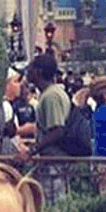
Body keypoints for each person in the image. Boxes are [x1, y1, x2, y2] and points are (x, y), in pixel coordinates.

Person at [27, 52, 72, 202]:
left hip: (54, 163)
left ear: (38, 72)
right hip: (52, 161)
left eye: (31, 68)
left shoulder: (51, 96)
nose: (28, 72)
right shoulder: (50, 94)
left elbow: (57, 130)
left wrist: (33, 149)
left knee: (52, 204)